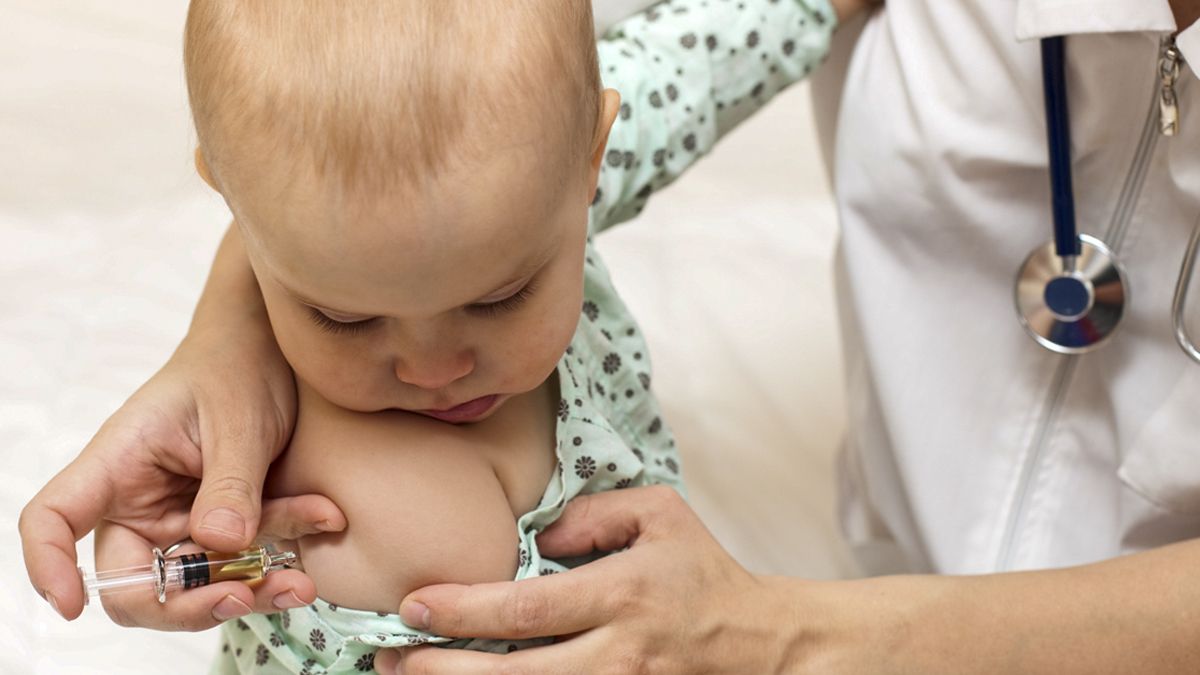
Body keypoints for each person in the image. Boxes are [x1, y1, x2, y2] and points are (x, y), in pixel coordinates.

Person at [24, 0, 1200, 673]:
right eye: (344, 310)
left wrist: (786, 640)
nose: (432, 364)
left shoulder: (547, 172)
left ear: (596, 161)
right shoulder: (444, 229)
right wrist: (231, 326)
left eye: (498, 296)